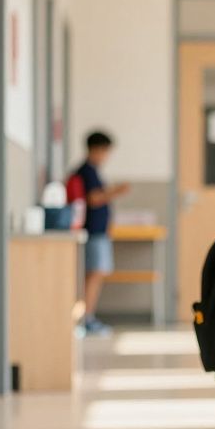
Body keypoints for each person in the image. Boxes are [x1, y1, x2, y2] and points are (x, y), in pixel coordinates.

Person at [66, 130, 130, 336]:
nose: (106, 156)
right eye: (105, 151)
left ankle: (87, 317)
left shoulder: (92, 170)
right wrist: (116, 191)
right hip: (93, 232)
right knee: (93, 275)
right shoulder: (87, 171)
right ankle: (87, 318)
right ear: (97, 149)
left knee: (95, 274)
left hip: (98, 232)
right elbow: (94, 199)